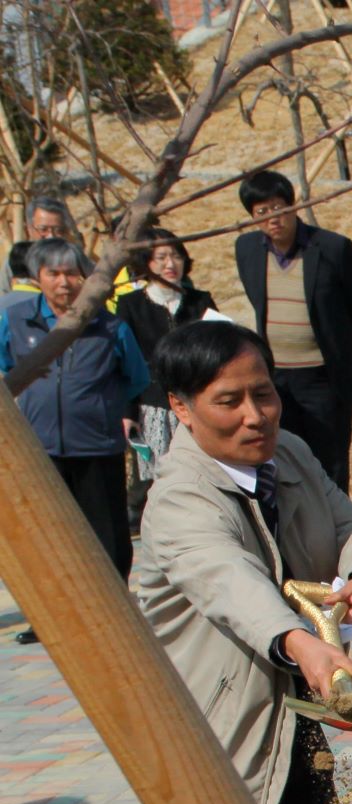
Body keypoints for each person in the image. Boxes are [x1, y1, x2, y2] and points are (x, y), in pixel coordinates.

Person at [130, 321, 352, 804]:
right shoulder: (178, 499)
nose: (255, 416)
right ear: (181, 407)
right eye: (228, 401)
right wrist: (302, 643)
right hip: (219, 753)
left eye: (264, 393)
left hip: (298, 730)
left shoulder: (292, 455)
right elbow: (230, 585)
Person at [5, 240, 150, 581]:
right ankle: (51, 609)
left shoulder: (111, 327)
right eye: (53, 273)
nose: (63, 282)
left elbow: (135, 378)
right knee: (48, 531)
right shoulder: (16, 320)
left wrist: (100, 408)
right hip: (39, 448)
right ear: (37, 277)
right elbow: (7, 368)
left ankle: (116, 603)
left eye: (72, 273)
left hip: (97, 445)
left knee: (107, 531)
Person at [230, 168, 352, 491]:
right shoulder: (248, 249)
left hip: (323, 377)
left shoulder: (333, 249)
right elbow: (258, 301)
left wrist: (336, 343)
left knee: (329, 461)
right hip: (274, 378)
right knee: (281, 459)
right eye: (262, 212)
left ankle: (336, 533)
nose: (272, 218)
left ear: (292, 206)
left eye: (278, 207)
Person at [114, 229, 215, 520]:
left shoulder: (200, 300)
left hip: (196, 402)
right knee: (158, 478)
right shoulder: (131, 305)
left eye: (176, 255)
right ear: (146, 263)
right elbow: (124, 364)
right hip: (152, 405)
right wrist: (127, 411)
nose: (170, 263)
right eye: (161, 257)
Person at [8, 196, 73, 300]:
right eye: (43, 229)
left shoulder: (77, 263)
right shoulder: (17, 263)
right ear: (29, 229)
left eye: (58, 230)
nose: (51, 236)